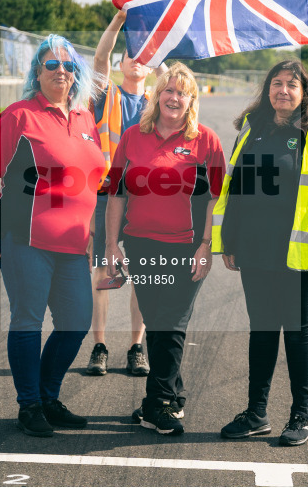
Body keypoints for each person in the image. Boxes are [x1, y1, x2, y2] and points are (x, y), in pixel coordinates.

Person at [0, 34, 105, 438]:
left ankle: (48, 396)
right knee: (28, 319)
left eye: (68, 65)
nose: (61, 71)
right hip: (26, 239)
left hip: (73, 244)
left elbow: (90, 181)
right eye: (52, 64)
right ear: (37, 71)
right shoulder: (18, 116)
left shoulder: (85, 119)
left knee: (77, 321)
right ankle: (29, 404)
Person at [212, 60, 308, 446]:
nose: (283, 91)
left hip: (299, 251)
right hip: (255, 248)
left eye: (292, 84)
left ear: (306, 92)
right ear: (267, 89)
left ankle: (300, 416)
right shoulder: (252, 128)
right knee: (262, 330)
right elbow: (237, 185)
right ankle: (256, 413)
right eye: (276, 83)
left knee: (297, 330)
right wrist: (230, 240)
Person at [105, 63, 226, 435]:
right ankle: (172, 393)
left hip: (188, 245)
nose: (174, 97)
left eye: (182, 92)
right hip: (141, 244)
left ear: (192, 101)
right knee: (157, 320)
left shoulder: (206, 140)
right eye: (167, 90)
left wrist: (207, 245)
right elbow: (115, 194)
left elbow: (217, 200)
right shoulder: (132, 137)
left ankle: (155, 403)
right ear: (156, 96)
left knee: (172, 321)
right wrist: (111, 243)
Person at [86, 10, 165, 378]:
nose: (137, 60)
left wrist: (156, 43)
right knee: (103, 270)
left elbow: (169, 78)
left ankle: (137, 346)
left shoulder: (158, 104)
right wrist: (118, 23)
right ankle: (99, 345)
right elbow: (99, 59)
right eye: (131, 55)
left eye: (143, 58)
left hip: (147, 201)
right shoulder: (107, 95)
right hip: (107, 197)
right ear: (120, 64)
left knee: (144, 275)